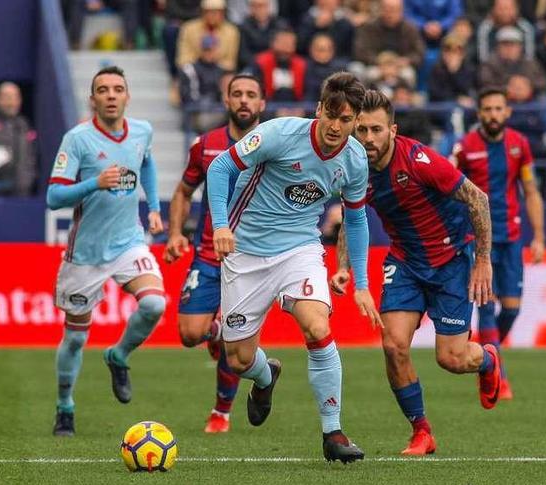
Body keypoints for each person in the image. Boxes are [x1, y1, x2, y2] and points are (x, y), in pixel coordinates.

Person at [206, 72, 381, 463]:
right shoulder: (280, 134)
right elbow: (220, 168)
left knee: (318, 327)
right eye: (331, 115)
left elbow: (356, 220)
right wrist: (220, 225)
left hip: (300, 249)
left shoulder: (354, 160)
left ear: (356, 121)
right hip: (245, 252)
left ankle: (333, 433)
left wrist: (362, 282)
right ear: (319, 109)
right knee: (237, 359)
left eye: (347, 119)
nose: (337, 127)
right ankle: (266, 377)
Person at [334, 89, 499, 457]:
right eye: (361, 130)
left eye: (376, 130)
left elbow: (477, 199)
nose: (368, 139)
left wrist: (482, 260)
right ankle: (421, 431)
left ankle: (487, 359)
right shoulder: (354, 168)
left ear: (392, 130)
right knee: (393, 345)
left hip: (451, 260)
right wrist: (344, 265)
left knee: (452, 359)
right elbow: (352, 216)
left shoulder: (421, 160)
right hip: (405, 262)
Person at [47, 66, 166, 436]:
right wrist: (94, 183)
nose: (111, 95)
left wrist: (156, 208)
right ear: (93, 99)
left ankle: (118, 355)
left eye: (118, 89)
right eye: (103, 90)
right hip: (86, 254)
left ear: (127, 96)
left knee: (154, 304)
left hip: (129, 242)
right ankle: (65, 405)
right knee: (76, 337)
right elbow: (54, 197)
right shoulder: (78, 139)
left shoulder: (142, 131)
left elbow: (146, 162)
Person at [164, 74, 266, 434]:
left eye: (250, 95)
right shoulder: (206, 145)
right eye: (236, 94)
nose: (243, 100)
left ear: (262, 105)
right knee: (190, 334)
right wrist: (176, 233)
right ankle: (214, 332)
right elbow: (182, 192)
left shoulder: (274, 145)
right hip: (208, 254)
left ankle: (221, 412)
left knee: (237, 349)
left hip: (253, 259)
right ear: (226, 101)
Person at [452, 87, 545, 400]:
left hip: (512, 238)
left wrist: (540, 237)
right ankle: (500, 378)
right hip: (479, 243)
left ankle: (488, 354)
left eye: (498, 108)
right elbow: (449, 189)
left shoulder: (520, 145)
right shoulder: (464, 148)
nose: (493, 114)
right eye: (487, 109)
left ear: (507, 112)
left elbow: (530, 191)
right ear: (479, 113)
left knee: (512, 309)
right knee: (487, 308)